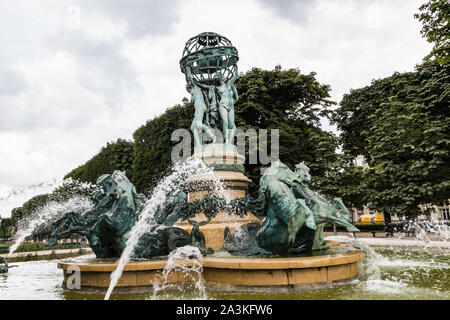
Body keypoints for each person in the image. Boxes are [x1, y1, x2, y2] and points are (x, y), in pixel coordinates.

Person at [185, 66, 217, 151]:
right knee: (193, 127)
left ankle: (213, 137)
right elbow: (188, 81)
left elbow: (189, 79)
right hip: (200, 108)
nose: (187, 89)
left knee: (198, 124)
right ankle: (198, 144)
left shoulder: (195, 88)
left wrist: (187, 70)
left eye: (188, 87)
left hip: (200, 106)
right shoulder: (194, 91)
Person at [215, 66, 238, 144]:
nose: (217, 77)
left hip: (231, 107)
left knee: (232, 126)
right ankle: (226, 141)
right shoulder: (217, 87)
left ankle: (229, 142)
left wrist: (235, 66)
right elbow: (205, 87)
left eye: (218, 75)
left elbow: (235, 76)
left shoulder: (229, 84)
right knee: (225, 122)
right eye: (216, 76)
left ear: (222, 77)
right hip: (222, 105)